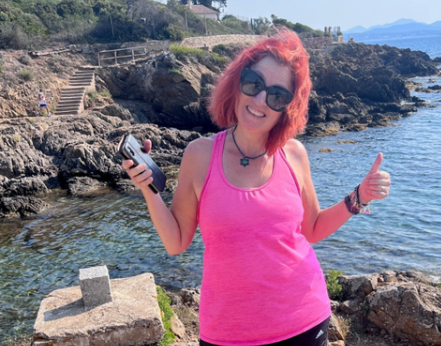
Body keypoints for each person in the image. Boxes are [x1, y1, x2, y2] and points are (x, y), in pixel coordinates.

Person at [122, 28, 391, 346]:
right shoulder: (200, 154)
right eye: (254, 83)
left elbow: (313, 228)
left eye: (278, 95)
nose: (261, 100)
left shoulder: (294, 154)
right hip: (227, 333)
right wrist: (148, 190)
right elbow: (176, 241)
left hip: (304, 321)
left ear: (288, 107)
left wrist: (359, 196)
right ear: (237, 83)